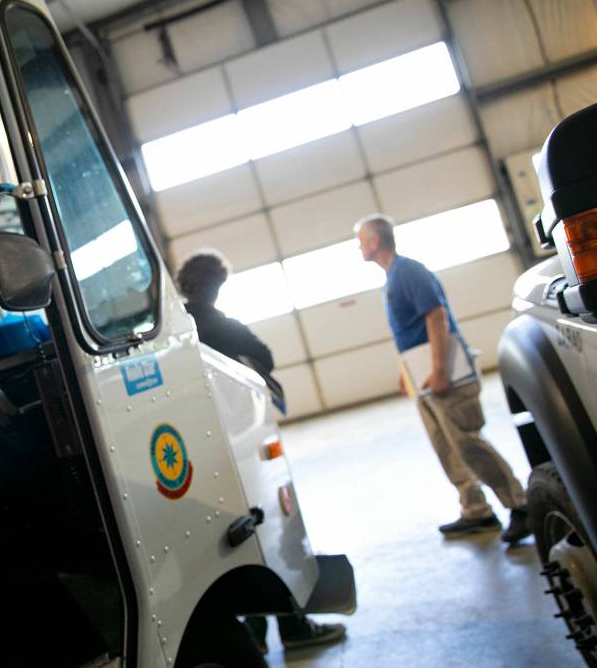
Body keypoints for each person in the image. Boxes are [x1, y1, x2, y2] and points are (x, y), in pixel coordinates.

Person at [176, 251, 346, 652]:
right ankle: (294, 628)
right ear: (218, 286)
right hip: (242, 443)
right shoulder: (223, 325)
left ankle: (253, 636)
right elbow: (265, 357)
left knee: (231, 536)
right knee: (271, 530)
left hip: (199, 450)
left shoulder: (177, 326)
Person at [354, 213, 530, 543]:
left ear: (375, 241)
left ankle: (521, 506)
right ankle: (476, 509)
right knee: (447, 449)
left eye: (361, 240)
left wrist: (439, 371)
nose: (359, 247)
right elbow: (410, 333)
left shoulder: (409, 271)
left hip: (448, 376)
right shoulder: (391, 279)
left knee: (468, 445)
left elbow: (436, 317)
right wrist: (406, 373)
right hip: (423, 381)